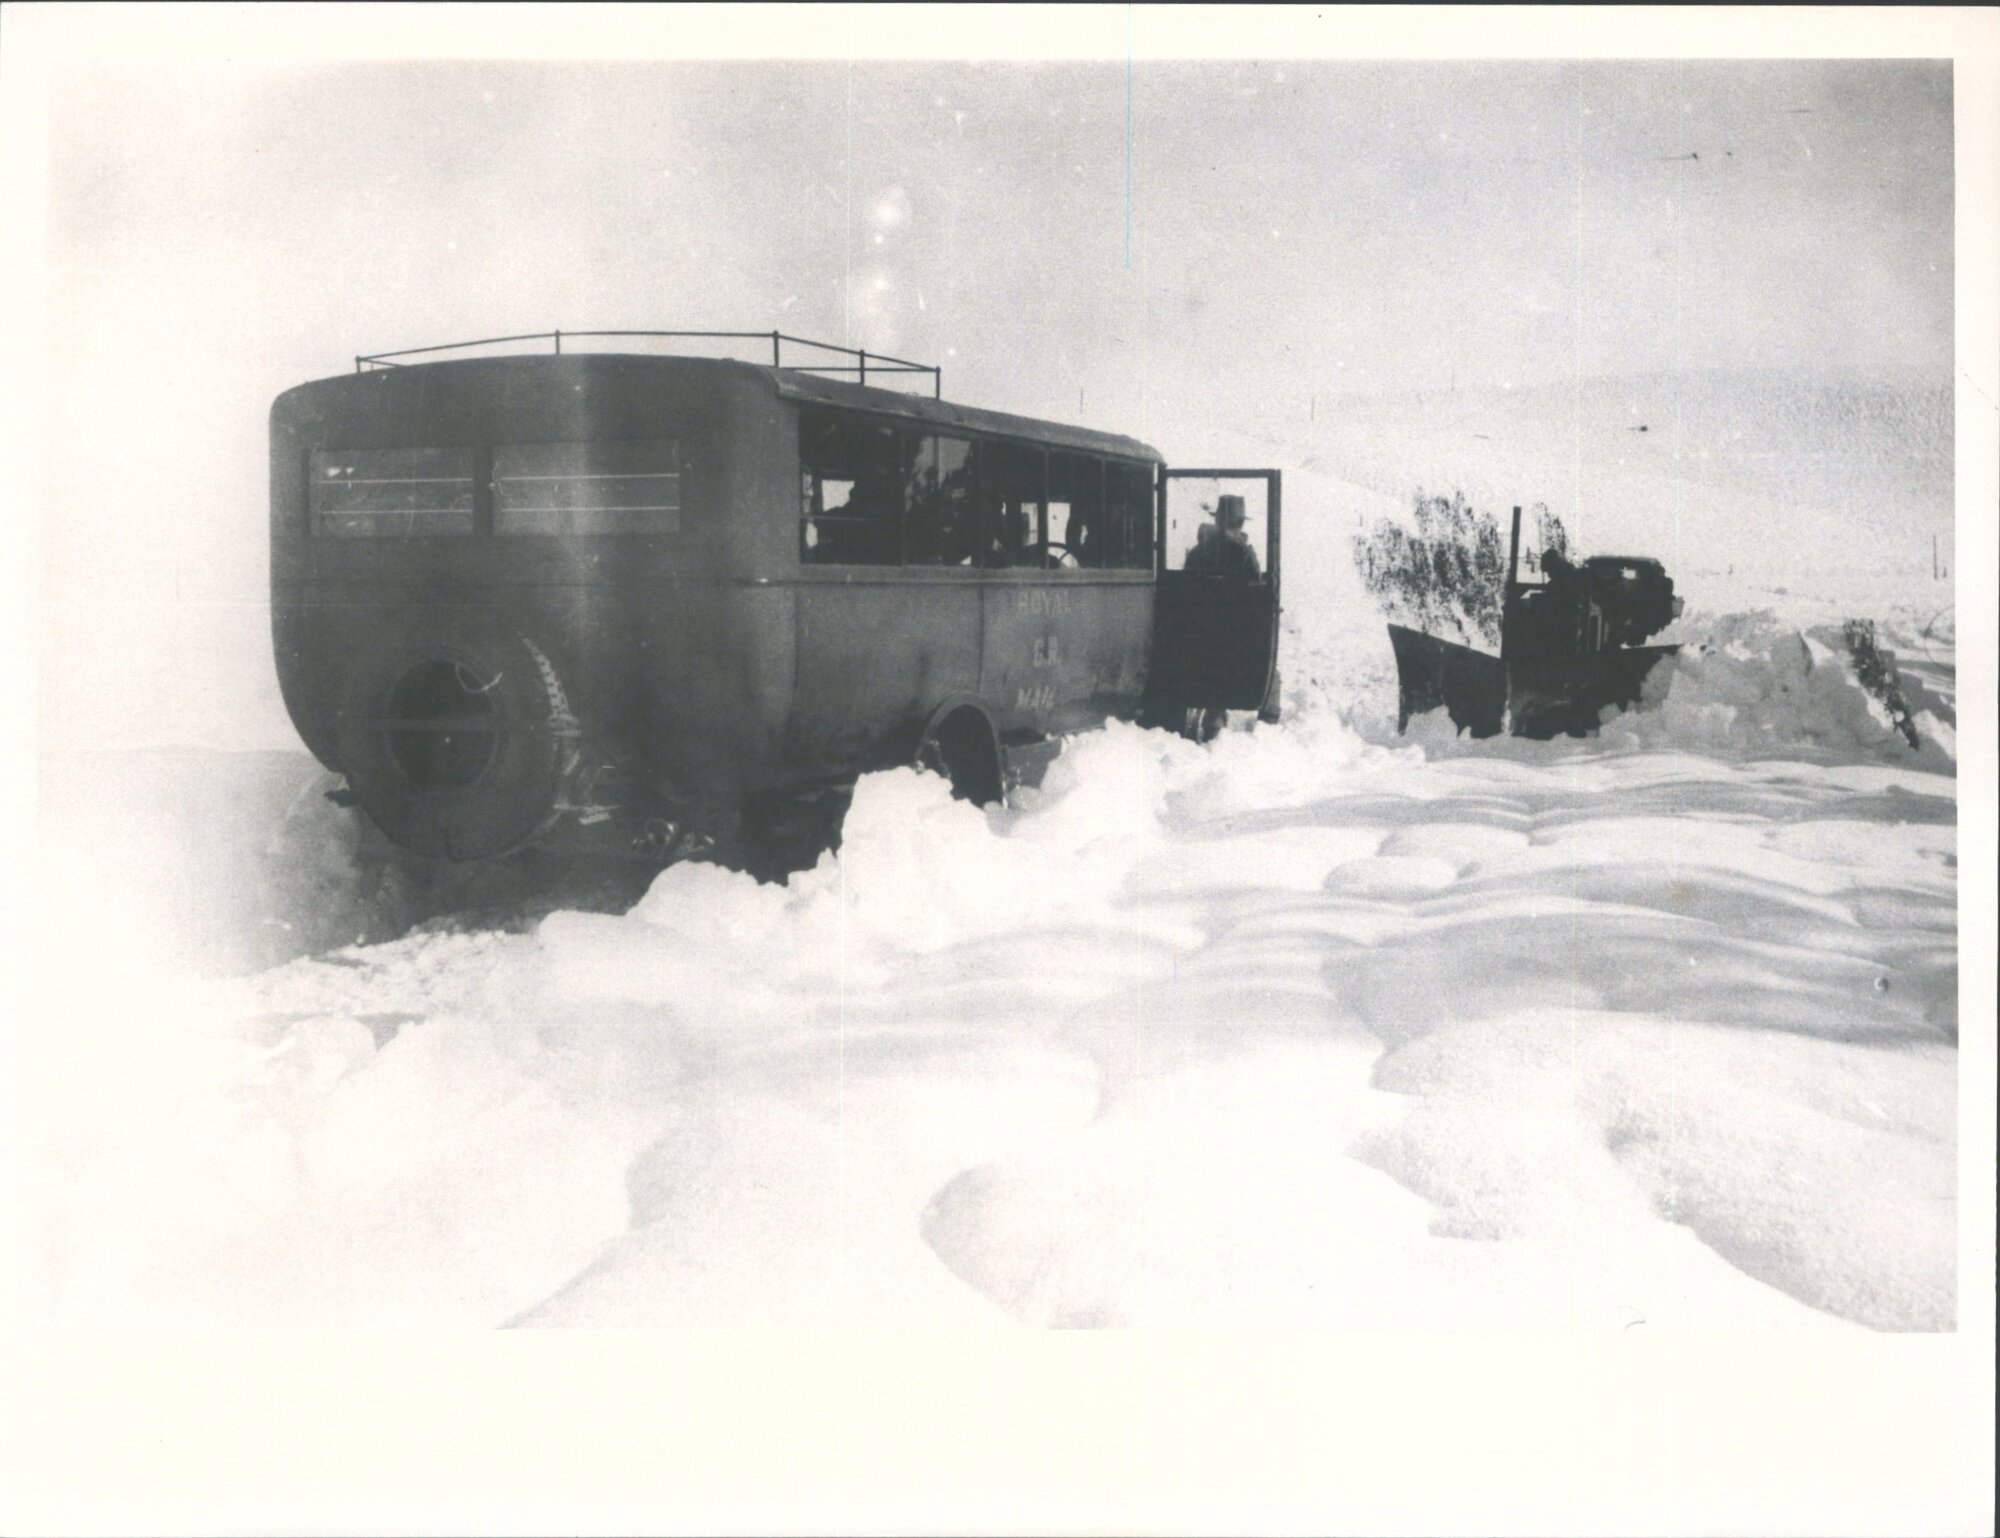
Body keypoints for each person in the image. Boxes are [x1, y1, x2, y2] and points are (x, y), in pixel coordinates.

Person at [1183, 494, 1261, 578]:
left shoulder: (1195, 552)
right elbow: (1257, 585)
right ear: (1240, 524)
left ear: (1217, 521)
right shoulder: (1244, 553)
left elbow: (1185, 585)